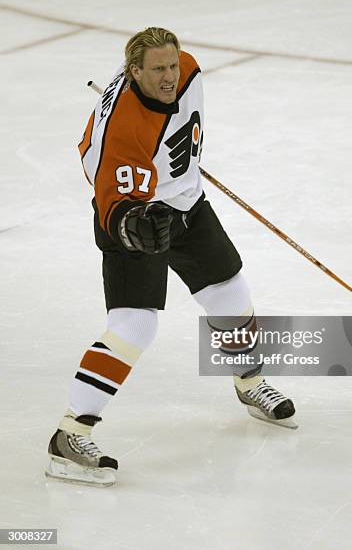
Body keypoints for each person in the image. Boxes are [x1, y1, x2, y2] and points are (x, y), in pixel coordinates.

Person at [45, 27, 297, 487]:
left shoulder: (190, 70)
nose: (168, 76)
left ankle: (248, 382)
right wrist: (129, 222)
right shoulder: (123, 129)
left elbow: (177, 123)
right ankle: (70, 434)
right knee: (135, 325)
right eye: (157, 69)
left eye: (172, 65)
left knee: (229, 291)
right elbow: (107, 193)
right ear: (133, 71)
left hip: (187, 203)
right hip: (136, 215)